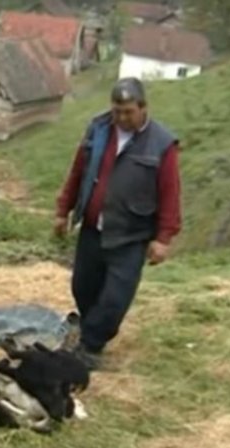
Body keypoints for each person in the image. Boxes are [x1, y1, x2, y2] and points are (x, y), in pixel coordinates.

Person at [54, 77, 182, 370]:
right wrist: (63, 210)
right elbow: (77, 172)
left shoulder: (162, 144)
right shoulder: (98, 130)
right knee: (82, 287)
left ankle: (90, 346)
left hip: (131, 235)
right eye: (117, 111)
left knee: (115, 298)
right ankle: (89, 331)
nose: (122, 118)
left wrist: (163, 237)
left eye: (128, 112)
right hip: (92, 228)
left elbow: (170, 191)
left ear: (143, 108)